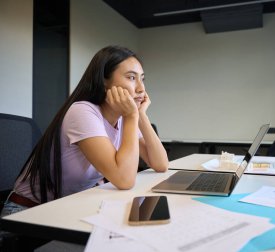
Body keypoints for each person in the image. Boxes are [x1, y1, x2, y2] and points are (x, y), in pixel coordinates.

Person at [1, 45, 169, 217]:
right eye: (131, 78)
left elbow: (161, 164)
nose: (141, 88)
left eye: (142, 79)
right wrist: (132, 117)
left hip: (67, 206)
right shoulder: (82, 111)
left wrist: (141, 115)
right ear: (104, 80)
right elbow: (124, 180)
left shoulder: (123, 118)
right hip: (29, 211)